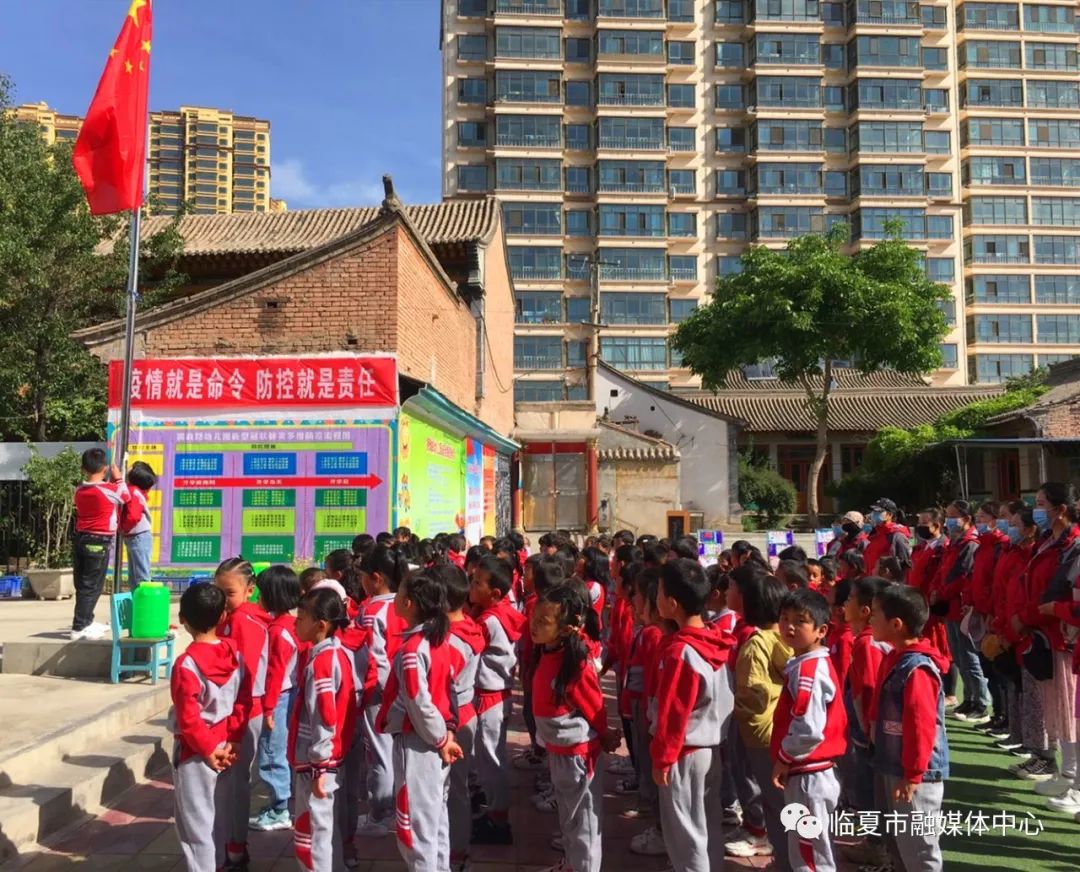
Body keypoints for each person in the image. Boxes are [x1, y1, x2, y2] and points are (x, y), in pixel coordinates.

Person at [650, 558, 734, 872]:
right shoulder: (713, 638)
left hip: (683, 752)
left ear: (671, 604)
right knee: (705, 826)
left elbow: (674, 713)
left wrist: (663, 758)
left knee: (684, 834)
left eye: (658, 592)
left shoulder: (680, 651)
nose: (654, 597)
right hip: (708, 749)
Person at [376, 570, 464, 871]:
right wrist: (448, 734)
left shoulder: (413, 650)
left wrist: (440, 739)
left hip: (420, 744)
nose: (396, 599)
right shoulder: (437, 639)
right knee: (435, 821)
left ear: (409, 603)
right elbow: (447, 693)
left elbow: (419, 703)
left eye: (399, 594)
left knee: (416, 830)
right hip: (435, 740)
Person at [531, 583, 621, 872]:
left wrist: (606, 734)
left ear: (567, 628)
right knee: (569, 818)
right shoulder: (546, 652)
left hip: (578, 755)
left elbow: (594, 705)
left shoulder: (576, 663)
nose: (534, 625)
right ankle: (572, 864)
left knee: (585, 822)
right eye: (534, 617)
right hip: (559, 751)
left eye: (543, 622)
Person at [869, 583, 951, 872]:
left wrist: (913, 774)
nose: (870, 619)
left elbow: (921, 725)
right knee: (905, 842)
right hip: (897, 766)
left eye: (875, 614)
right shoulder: (896, 657)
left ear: (896, 624)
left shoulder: (917, 668)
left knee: (920, 846)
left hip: (917, 774)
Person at [170, 582, 246, 872]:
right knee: (217, 821)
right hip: (227, 745)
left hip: (196, 753)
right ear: (223, 617)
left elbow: (188, 718)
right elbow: (243, 701)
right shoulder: (235, 654)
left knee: (195, 827)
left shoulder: (186, 665)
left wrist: (206, 750)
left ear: (183, 619)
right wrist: (235, 739)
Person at [771, 588, 847, 872]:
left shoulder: (809, 670)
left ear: (820, 630)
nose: (789, 625)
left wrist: (784, 757)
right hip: (811, 772)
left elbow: (809, 729)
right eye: (784, 617)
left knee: (810, 854)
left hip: (809, 774)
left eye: (800, 621)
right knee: (811, 848)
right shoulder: (807, 663)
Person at [1013, 483, 1080, 786]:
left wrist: (1033, 615)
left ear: (1061, 509)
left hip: (1062, 634)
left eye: (1041, 504)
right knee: (1058, 712)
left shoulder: (1071, 546)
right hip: (1044, 632)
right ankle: (1068, 774)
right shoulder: (1049, 542)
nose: (1036, 510)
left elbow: (1062, 593)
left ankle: (1073, 776)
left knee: (1070, 713)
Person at [289, 588, 358, 872]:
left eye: (301, 618)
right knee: (323, 828)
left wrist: (319, 765)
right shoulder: (336, 653)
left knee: (313, 833)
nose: (295, 624)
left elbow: (326, 717)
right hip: (326, 759)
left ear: (321, 625)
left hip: (318, 762)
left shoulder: (322, 663)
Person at [726, 567, 791, 864]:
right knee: (779, 799)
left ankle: (784, 856)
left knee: (773, 798)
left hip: (760, 730)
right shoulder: (785, 638)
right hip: (779, 726)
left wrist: (743, 716)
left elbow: (751, 690)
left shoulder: (755, 641)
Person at [214, 558, 269, 871]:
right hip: (234, 710)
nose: (222, 598)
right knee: (232, 782)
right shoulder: (231, 615)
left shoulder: (244, 620)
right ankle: (231, 844)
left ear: (250, 590)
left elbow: (243, 678)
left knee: (235, 783)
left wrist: (234, 725)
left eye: (229, 592)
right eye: (217, 590)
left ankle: (235, 848)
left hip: (243, 711)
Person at [470, 555, 526, 844]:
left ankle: (498, 819)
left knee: (490, 759)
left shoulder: (489, 620)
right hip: (497, 694)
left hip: (490, 696)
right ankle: (494, 811)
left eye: (476, 582)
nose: (471, 586)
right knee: (492, 757)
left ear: (494, 593)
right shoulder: (502, 611)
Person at [354, 544, 409, 838]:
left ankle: (381, 814)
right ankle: (399, 810)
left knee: (379, 753)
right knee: (400, 752)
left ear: (375, 577)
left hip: (380, 691)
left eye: (363, 575)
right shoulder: (408, 601)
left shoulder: (370, 610)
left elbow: (373, 657)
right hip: (409, 688)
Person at [840, 576, 892, 867]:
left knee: (871, 790)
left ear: (866, 610)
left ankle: (878, 848)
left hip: (869, 732)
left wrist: (869, 733)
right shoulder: (868, 640)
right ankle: (876, 843)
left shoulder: (867, 644)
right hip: (868, 729)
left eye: (850, 599)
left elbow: (869, 689)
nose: (844, 604)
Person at [250, 566, 302, 832]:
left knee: (272, 752)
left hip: (279, 697)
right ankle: (280, 802)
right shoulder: (295, 624)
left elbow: (274, 673)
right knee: (281, 750)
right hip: (290, 693)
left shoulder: (279, 631)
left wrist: (268, 709)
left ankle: (279, 809)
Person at [442, 563, 485, 871]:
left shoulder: (454, 642)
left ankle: (456, 853)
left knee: (453, 792)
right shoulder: (466, 626)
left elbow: (441, 686)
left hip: (455, 720)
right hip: (464, 714)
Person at [931, 500, 990, 724]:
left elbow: (963, 575)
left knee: (970, 656)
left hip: (962, 607)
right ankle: (970, 698)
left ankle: (982, 702)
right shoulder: (954, 543)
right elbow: (943, 572)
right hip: (950, 609)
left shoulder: (970, 544)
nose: (948, 520)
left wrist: (942, 592)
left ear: (966, 519)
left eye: (953, 516)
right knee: (959, 655)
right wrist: (937, 590)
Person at [71, 448, 129, 640]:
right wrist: (119, 477)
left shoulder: (79, 490)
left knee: (82, 583)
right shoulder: (108, 489)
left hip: (81, 538)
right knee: (92, 585)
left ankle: (86, 621)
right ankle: (79, 627)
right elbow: (125, 496)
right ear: (105, 469)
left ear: (83, 468)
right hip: (98, 541)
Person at [968, 501, 1011, 736]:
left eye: (983, 517)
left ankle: (1005, 717)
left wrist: (993, 612)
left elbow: (999, 584)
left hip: (995, 616)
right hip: (983, 613)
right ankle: (999, 715)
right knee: (988, 667)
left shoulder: (1000, 546)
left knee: (999, 670)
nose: (979, 521)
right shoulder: (984, 546)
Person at [909, 508, 956, 707]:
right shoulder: (923, 547)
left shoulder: (943, 548)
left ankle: (950, 692)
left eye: (924, 523)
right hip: (919, 602)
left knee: (942, 647)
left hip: (934, 605)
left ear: (937, 526)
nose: (920, 526)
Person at [121, 461, 156, 589]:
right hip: (135, 537)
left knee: (141, 577)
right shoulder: (136, 491)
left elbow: (133, 516)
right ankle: (137, 605)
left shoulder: (133, 492)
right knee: (134, 577)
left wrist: (122, 527)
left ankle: (145, 607)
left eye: (129, 469)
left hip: (138, 537)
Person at [862, 499, 911, 584]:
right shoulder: (874, 535)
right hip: (872, 584)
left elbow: (904, 565)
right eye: (873, 512)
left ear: (889, 515)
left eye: (878, 512)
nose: (873, 514)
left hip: (886, 586)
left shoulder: (897, 536)